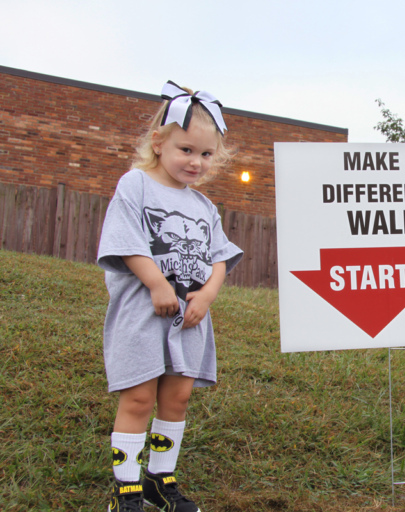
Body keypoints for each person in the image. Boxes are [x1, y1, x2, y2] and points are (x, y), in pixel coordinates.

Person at [97, 81, 243, 512]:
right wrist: (158, 284)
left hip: (190, 318)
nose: (195, 162)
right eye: (186, 150)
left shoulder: (204, 206)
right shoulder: (136, 184)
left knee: (176, 398)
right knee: (138, 398)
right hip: (143, 312)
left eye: (205, 154)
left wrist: (209, 295)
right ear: (158, 143)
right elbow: (126, 241)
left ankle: (160, 481)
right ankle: (125, 491)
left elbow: (219, 257)